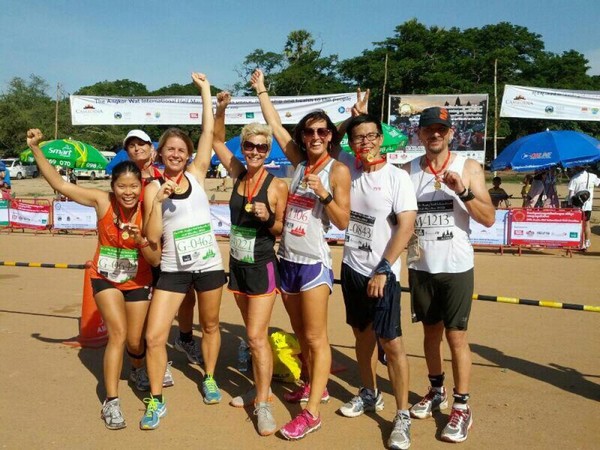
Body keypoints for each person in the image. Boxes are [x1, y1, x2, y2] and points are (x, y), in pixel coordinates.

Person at [26, 128, 161, 430]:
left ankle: (138, 367)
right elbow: (59, 182)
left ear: (141, 187)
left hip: (138, 280)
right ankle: (111, 401)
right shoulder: (102, 202)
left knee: (136, 340)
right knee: (118, 335)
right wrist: (37, 150)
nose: (128, 192)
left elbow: (154, 259)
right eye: (122, 186)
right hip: (105, 278)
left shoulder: (148, 209)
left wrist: (141, 240)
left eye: (133, 187)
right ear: (113, 186)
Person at [251, 68, 351, 440]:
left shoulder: (336, 171)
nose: (314, 137)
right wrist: (263, 91)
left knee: (316, 338)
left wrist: (322, 193)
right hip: (287, 260)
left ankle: (311, 413)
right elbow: (276, 127)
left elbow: (342, 221)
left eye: (322, 132)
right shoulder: (297, 163)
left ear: (330, 137)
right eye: (309, 132)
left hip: (312, 264)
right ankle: (316, 385)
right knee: (298, 333)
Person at [401, 107, 495, 444]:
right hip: (421, 266)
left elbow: (488, 218)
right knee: (429, 334)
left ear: (451, 133)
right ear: (420, 135)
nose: (435, 134)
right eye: (429, 129)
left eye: (441, 129)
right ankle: (436, 389)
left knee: (456, 337)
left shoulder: (468, 167)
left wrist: (463, 191)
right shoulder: (409, 170)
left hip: (455, 266)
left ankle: (462, 405)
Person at [140, 73, 226, 430]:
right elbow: (151, 236)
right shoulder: (152, 189)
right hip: (173, 269)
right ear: (161, 154)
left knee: (210, 324)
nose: (176, 154)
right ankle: (156, 399)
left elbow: (208, 132)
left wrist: (205, 92)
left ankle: (208, 376)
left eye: (181, 150)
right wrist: (158, 202)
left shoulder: (198, 173)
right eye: (170, 149)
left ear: (187, 154)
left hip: (208, 265)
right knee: (154, 336)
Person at [334, 111, 417, 450]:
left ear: (381, 139)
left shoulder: (398, 178)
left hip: (382, 272)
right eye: (358, 138)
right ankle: (369, 393)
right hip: (352, 266)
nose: (365, 142)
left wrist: (384, 268)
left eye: (370, 136)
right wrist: (350, 120)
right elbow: (330, 140)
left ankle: (402, 415)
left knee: (391, 342)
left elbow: (406, 228)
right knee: (362, 336)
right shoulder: (347, 169)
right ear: (350, 143)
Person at [213, 91, 289, 436]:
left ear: (268, 149)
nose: (255, 151)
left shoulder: (277, 185)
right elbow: (215, 139)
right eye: (250, 146)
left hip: (261, 266)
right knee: (250, 334)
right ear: (243, 147)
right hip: (238, 266)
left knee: (257, 338)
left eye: (261, 147)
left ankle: (263, 403)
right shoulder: (238, 173)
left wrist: (267, 214)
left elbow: (279, 229)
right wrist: (221, 108)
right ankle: (259, 388)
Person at [123, 130, 203, 384]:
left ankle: (184, 339)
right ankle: (152, 360)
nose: (137, 149)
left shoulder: (163, 173)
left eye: (142, 144)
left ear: (152, 148)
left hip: (169, 247)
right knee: (148, 305)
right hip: (140, 247)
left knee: (185, 296)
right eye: (131, 146)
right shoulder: (127, 176)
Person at [567, 166, 600, 250]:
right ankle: (587, 242)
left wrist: (569, 204)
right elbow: (598, 183)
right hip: (588, 205)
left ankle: (581, 243)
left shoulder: (574, 179)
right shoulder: (592, 176)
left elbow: (571, 195)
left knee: (579, 224)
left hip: (577, 206)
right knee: (587, 223)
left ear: (577, 168)